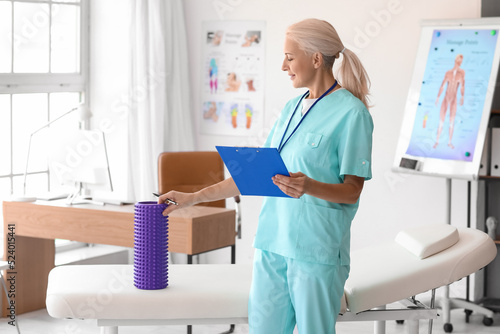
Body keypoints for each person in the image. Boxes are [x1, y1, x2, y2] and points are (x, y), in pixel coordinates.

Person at [159, 18, 373, 334]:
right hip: (272, 245)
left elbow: (352, 191)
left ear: (315, 59)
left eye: (289, 57)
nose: (283, 66)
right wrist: (190, 198)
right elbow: (253, 176)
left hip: (315, 252)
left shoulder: (352, 113)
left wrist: (309, 186)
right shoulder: (290, 109)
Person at [434, 54, 465, 149]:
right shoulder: (448, 73)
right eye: (458, 60)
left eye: (461, 61)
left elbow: (462, 86)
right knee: (441, 121)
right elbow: (442, 85)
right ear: (455, 60)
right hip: (446, 98)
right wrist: (438, 97)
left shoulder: (462, 73)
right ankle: (437, 141)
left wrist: (462, 96)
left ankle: (449, 142)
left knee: (452, 121)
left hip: (454, 99)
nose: (459, 62)